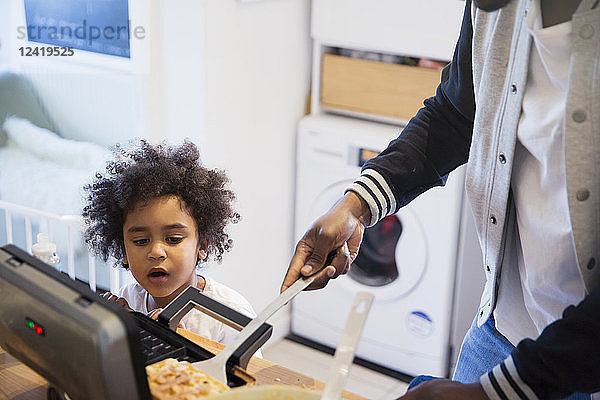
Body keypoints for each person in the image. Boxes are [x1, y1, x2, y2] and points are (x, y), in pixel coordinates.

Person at [282, 0, 600, 398]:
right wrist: (356, 206)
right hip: (501, 326)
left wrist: (488, 394)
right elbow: (456, 112)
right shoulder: (495, 8)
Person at [83, 139, 259, 347]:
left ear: (202, 245)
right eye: (141, 241)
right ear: (123, 250)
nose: (156, 252)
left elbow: (250, 378)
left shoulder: (230, 315)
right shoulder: (127, 300)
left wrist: (182, 346)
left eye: (173, 239)